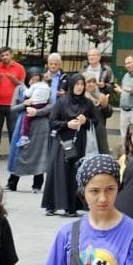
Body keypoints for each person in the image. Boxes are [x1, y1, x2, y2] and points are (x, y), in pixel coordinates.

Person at [41, 74, 96, 217]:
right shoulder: (61, 102)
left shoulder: (88, 103)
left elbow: (95, 121)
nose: (79, 87)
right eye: (77, 84)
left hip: (79, 142)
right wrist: (67, 124)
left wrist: (86, 121)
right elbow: (52, 122)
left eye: (82, 84)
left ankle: (72, 206)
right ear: (71, 86)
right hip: (62, 142)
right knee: (58, 171)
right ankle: (52, 205)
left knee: (75, 173)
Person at [8, 81, 51, 193]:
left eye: (37, 78)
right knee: (20, 152)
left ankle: (37, 185)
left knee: (39, 154)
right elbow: (12, 108)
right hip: (23, 126)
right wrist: (25, 104)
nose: (34, 81)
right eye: (32, 78)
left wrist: (37, 111)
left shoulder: (45, 88)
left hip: (41, 127)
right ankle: (12, 183)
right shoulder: (20, 89)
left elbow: (51, 106)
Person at [0, 47, 26, 153]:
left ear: (11, 55)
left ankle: (13, 154)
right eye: (2, 55)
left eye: (6, 55)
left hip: (12, 105)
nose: (4, 57)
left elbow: (23, 86)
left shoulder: (19, 68)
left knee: (12, 131)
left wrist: (14, 80)